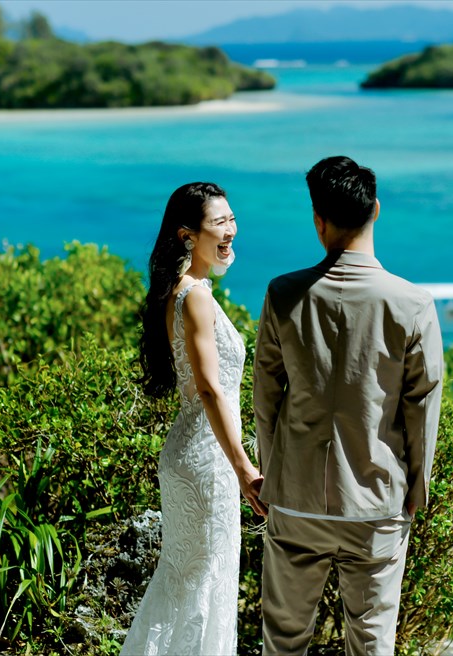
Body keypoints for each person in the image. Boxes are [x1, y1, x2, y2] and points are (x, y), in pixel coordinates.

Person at [254, 156, 444, 655]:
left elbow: (267, 399)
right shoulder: (412, 304)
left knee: (284, 642)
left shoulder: (282, 294)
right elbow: (422, 407)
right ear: (375, 210)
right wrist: (415, 491)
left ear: (318, 221)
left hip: (295, 499)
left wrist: (273, 480)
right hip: (376, 500)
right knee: (372, 643)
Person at [121, 182, 267, 656]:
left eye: (231, 219)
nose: (231, 231)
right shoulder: (195, 297)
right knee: (206, 582)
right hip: (207, 462)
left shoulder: (180, 292)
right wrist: (245, 468)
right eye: (219, 223)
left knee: (186, 581)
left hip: (192, 454)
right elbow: (208, 389)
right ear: (188, 236)